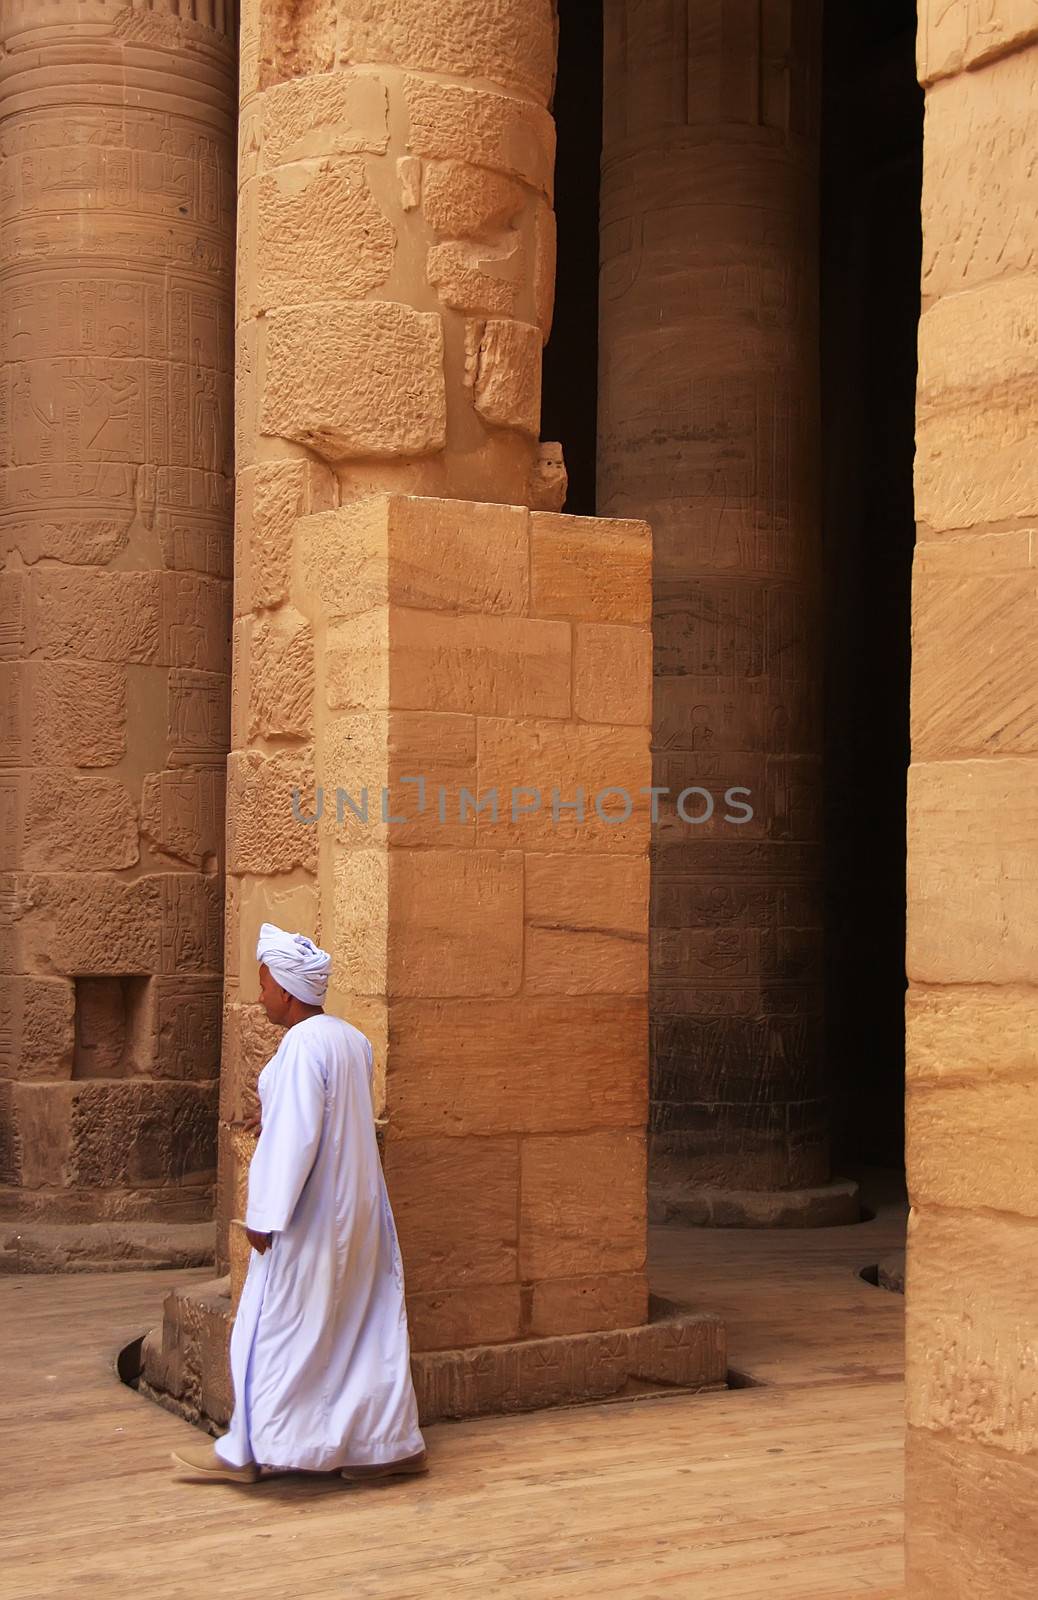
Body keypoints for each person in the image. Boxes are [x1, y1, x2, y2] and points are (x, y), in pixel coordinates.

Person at [171, 923, 426, 1484]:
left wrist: (263, 1218)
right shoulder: (349, 1039)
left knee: (271, 1331)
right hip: (355, 1215)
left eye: (263, 983)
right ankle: (382, 1446)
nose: (260, 994)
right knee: (357, 1332)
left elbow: (294, 1141)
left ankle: (248, 1452)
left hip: (309, 1221)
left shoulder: (300, 1047)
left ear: (285, 990)